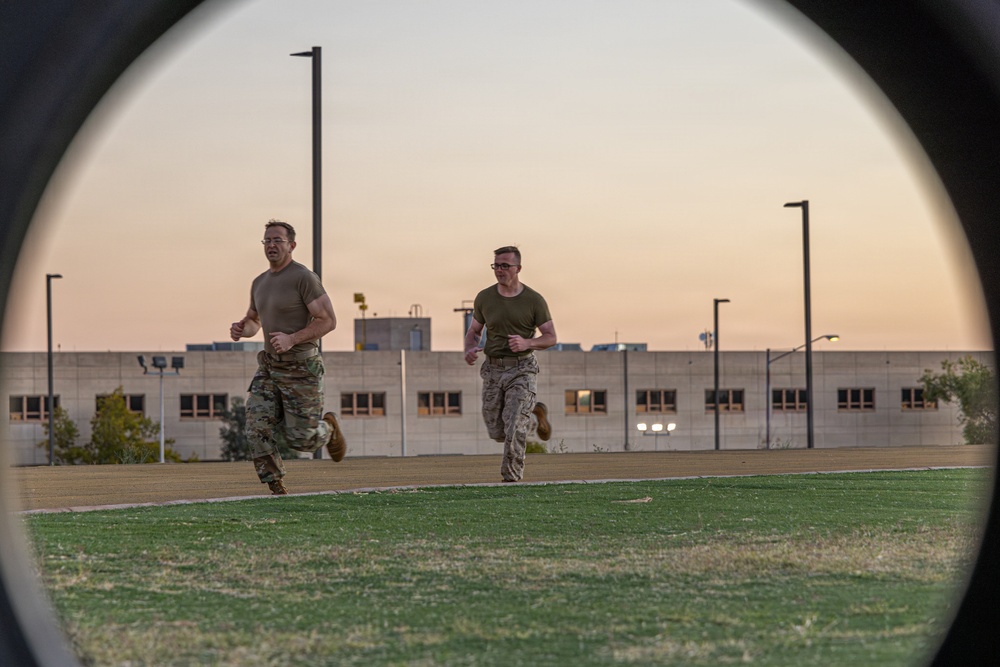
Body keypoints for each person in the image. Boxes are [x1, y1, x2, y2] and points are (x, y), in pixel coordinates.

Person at [230, 219, 346, 495]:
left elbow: (328, 320)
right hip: (269, 367)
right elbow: (254, 320)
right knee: (256, 426)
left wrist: (292, 339)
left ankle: (328, 429)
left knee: (302, 441)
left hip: (302, 367)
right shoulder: (259, 283)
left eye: (277, 240)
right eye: (267, 240)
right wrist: (243, 330)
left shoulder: (303, 278)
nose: (271, 245)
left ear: (292, 245)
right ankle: (276, 486)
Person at [464, 246, 557, 482]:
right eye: (496, 265)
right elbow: (474, 331)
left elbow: (550, 337)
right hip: (493, 369)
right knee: (497, 430)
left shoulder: (534, 300)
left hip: (522, 368)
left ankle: (511, 478)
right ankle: (534, 411)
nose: (499, 270)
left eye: (505, 265)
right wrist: (469, 348)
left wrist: (527, 343)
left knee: (515, 424)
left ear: (518, 268)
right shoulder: (485, 297)